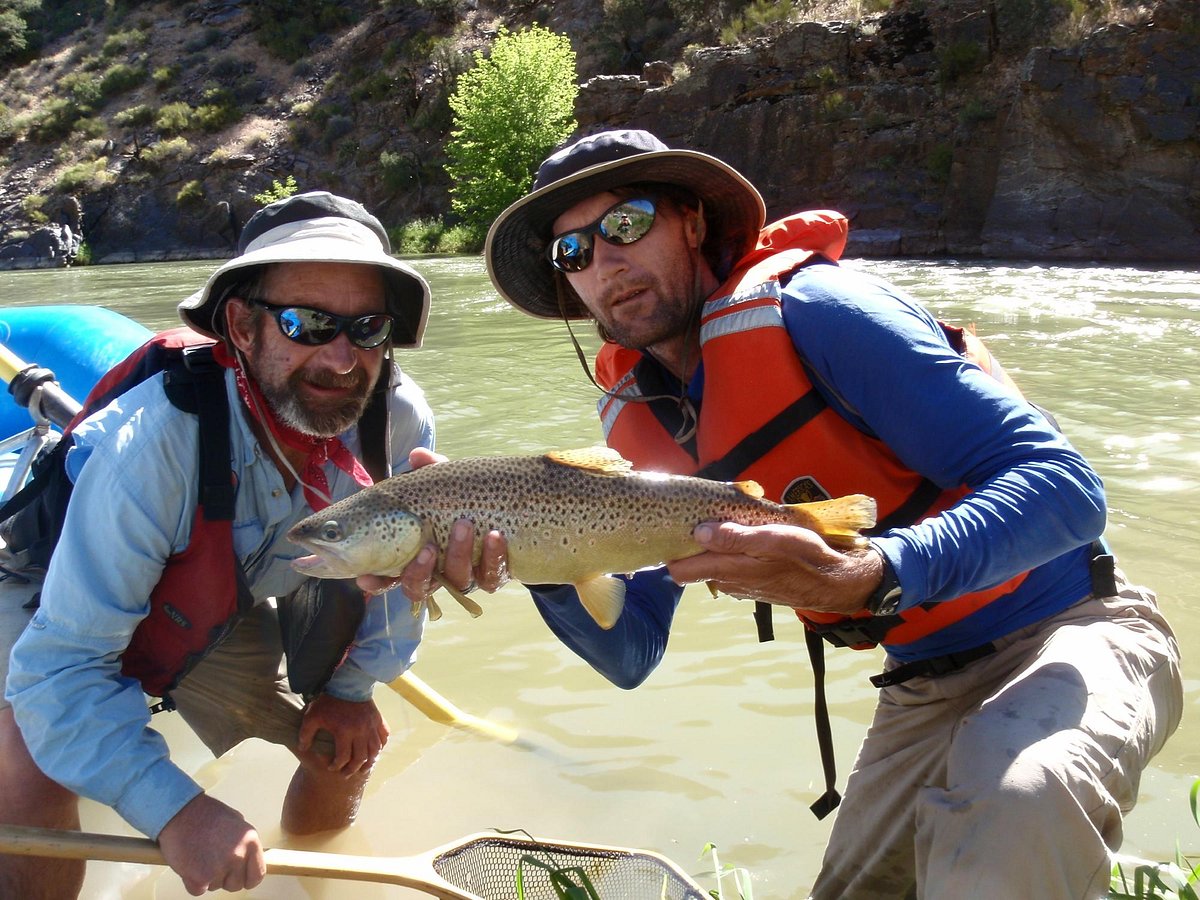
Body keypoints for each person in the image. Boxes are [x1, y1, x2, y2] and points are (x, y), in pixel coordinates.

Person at [440, 129, 1182, 898]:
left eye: (626, 224)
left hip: (1077, 628)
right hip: (921, 682)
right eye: (573, 253)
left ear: (691, 221)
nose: (605, 262)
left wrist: (875, 572)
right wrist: (536, 559)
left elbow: (1067, 487)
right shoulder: (636, 422)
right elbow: (631, 654)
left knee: (1020, 803)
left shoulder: (822, 311)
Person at [0, 191, 456, 897]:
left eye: (366, 327)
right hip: (49, 600)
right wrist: (176, 811)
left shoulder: (394, 417)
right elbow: (58, 676)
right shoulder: (150, 446)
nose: (341, 357)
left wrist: (350, 689)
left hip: (206, 597)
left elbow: (402, 572)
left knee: (345, 742)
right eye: (308, 323)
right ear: (242, 327)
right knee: (35, 768)